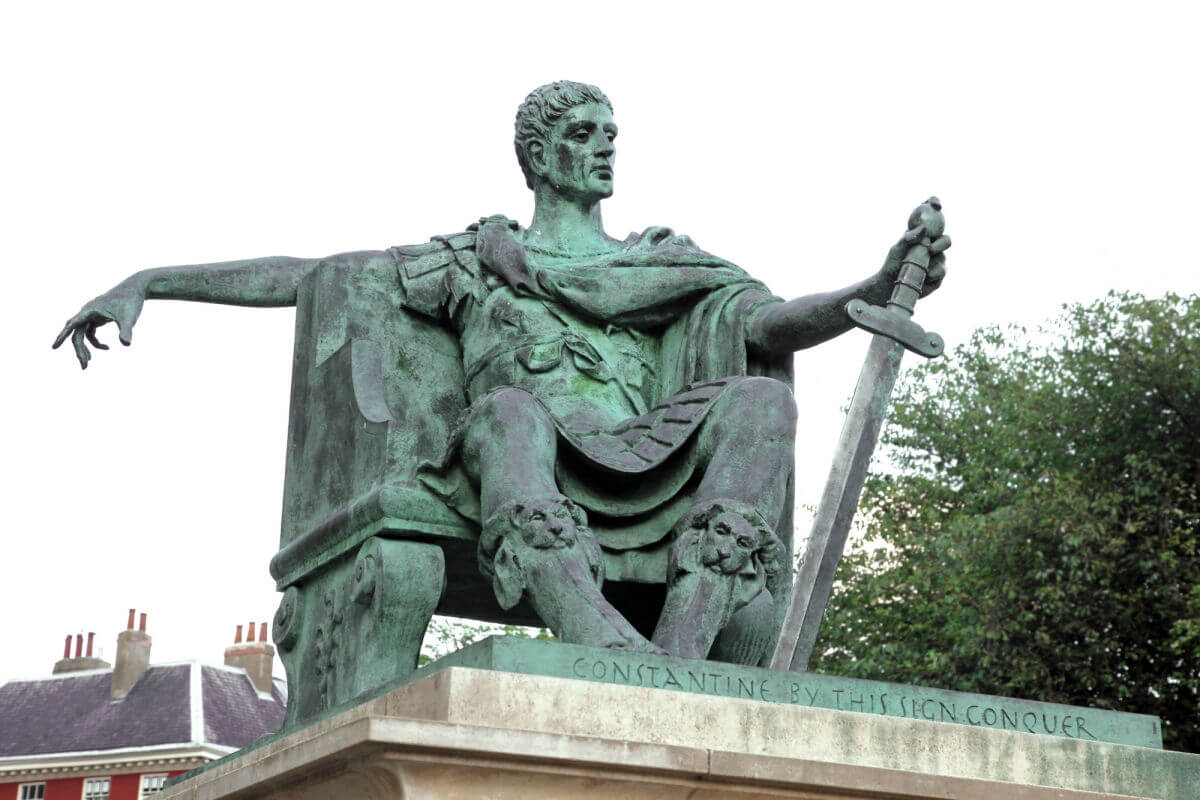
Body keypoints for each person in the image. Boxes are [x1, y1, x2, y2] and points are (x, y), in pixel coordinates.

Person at [55, 81, 948, 665]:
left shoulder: (662, 261)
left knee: (757, 398)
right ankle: (594, 635)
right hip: (523, 453)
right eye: (584, 133)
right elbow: (318, 275)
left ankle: (681, 648)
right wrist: (154, 282)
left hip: (650, 455)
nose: (605, 147)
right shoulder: (477, 258)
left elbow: (764, 320)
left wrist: (868, 288)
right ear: (540, 154)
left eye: (612, 134)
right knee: (507, 412)